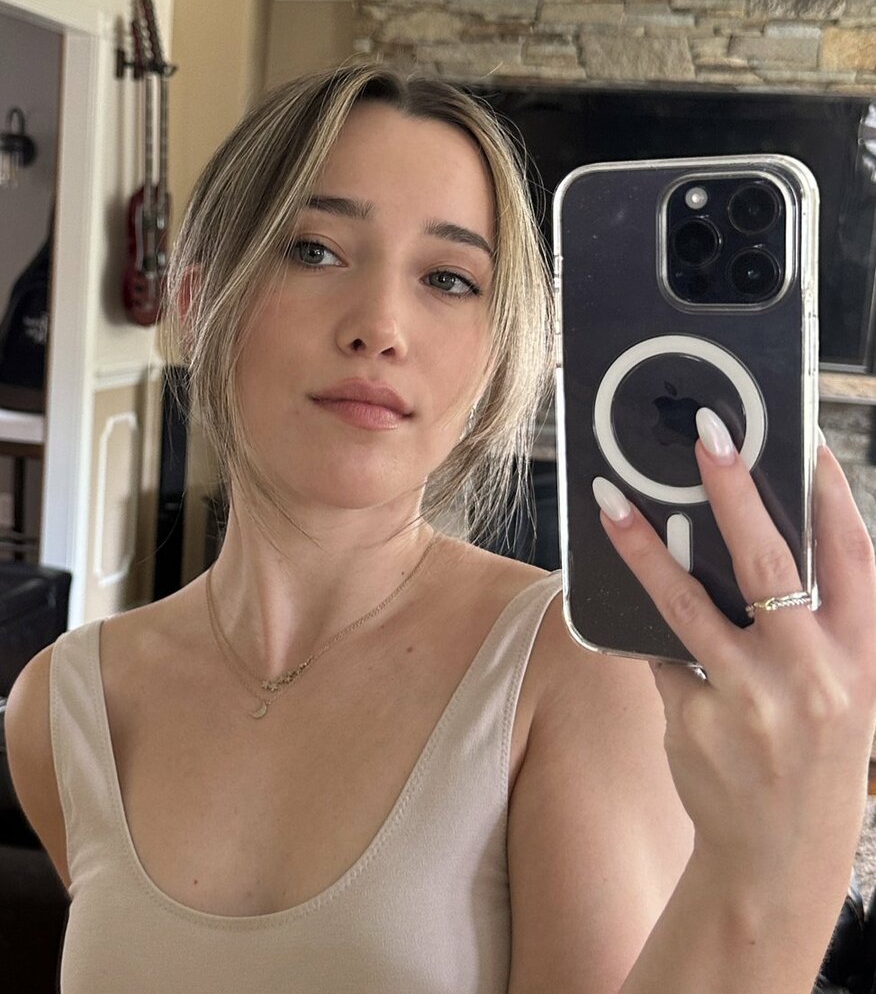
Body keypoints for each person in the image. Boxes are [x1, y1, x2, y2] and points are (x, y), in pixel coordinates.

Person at [5, 62, 876, 994]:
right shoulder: (64, 705)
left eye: (451, 278)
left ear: (495, 356)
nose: (380, 327)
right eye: (315, 251)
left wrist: (786, 849)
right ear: (194, 302)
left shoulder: (573, 671)